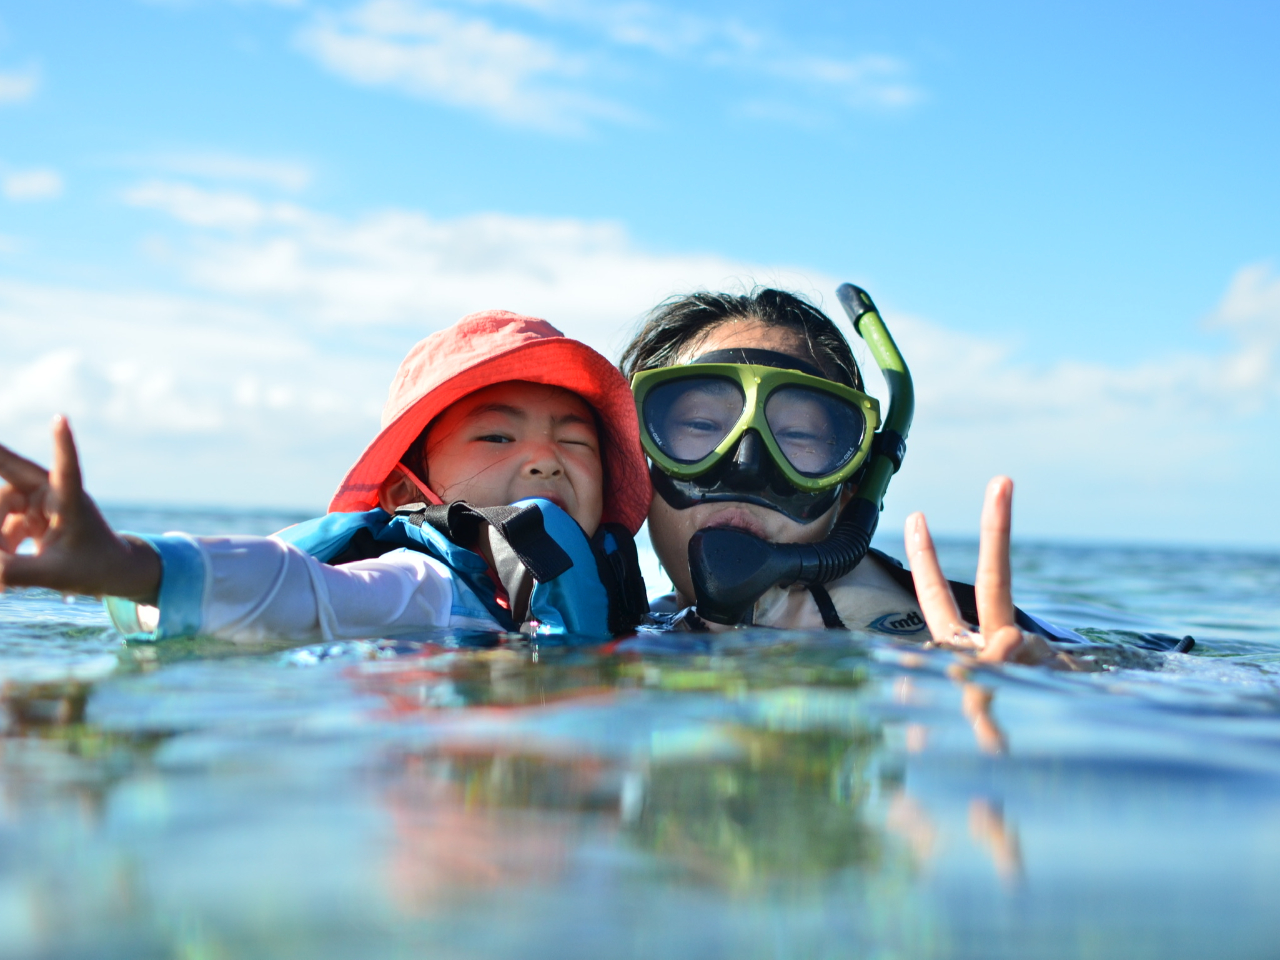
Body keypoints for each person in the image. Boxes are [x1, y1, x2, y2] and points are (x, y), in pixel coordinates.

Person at [0, 311, 653, 643]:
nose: (544, 457)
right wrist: (126, 566)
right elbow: (294, 588)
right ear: (406, 494)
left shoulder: (632, 603)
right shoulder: (427, 588)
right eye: (497, 435)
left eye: (574, 439)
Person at [622, 288, 1086, 666]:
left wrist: (1032, 680)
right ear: (637, 459)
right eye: (701, 425)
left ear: (849, 491)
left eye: (798, 435)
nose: (747, 466)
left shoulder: (929, 641)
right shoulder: (625, 623)